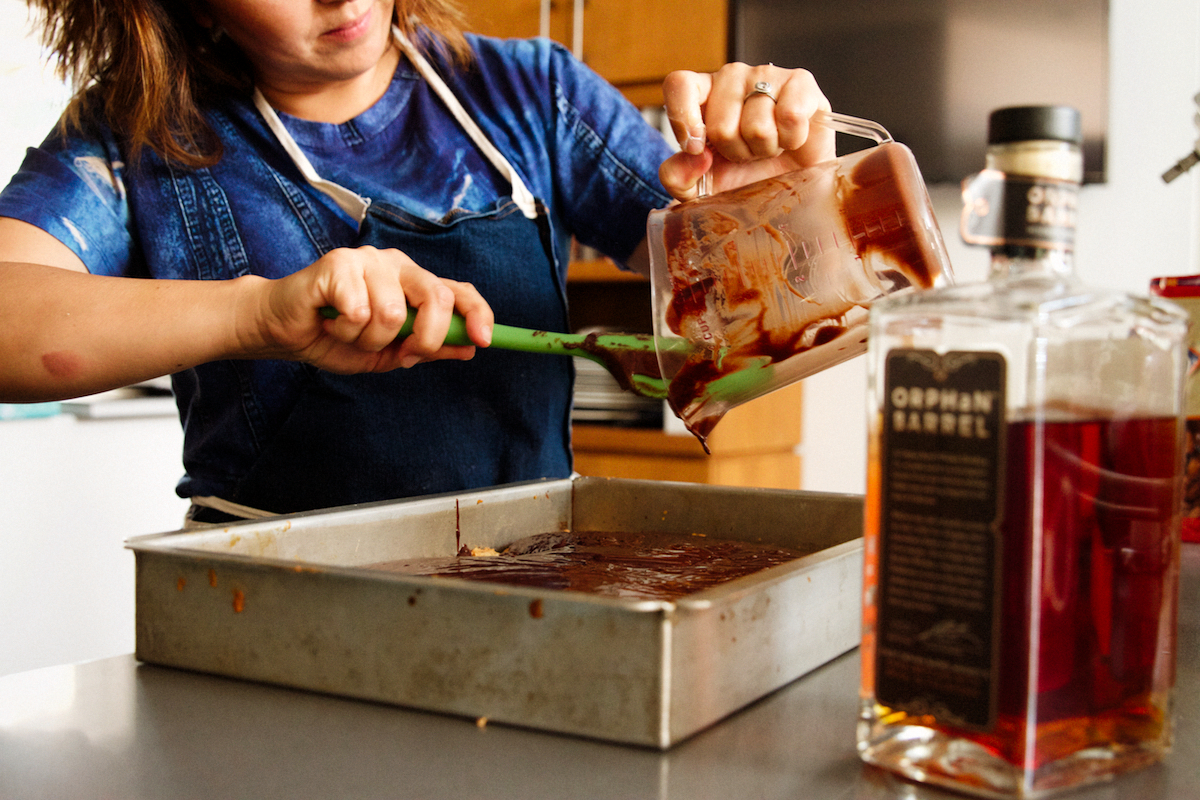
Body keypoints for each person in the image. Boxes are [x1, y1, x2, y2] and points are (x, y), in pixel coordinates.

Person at [0, 0, 833, 523]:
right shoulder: (138, 135)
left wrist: (784, 217)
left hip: (528, 576)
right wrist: (257, 313)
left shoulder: (531, 95)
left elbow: (753, 330)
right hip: (267, 600)